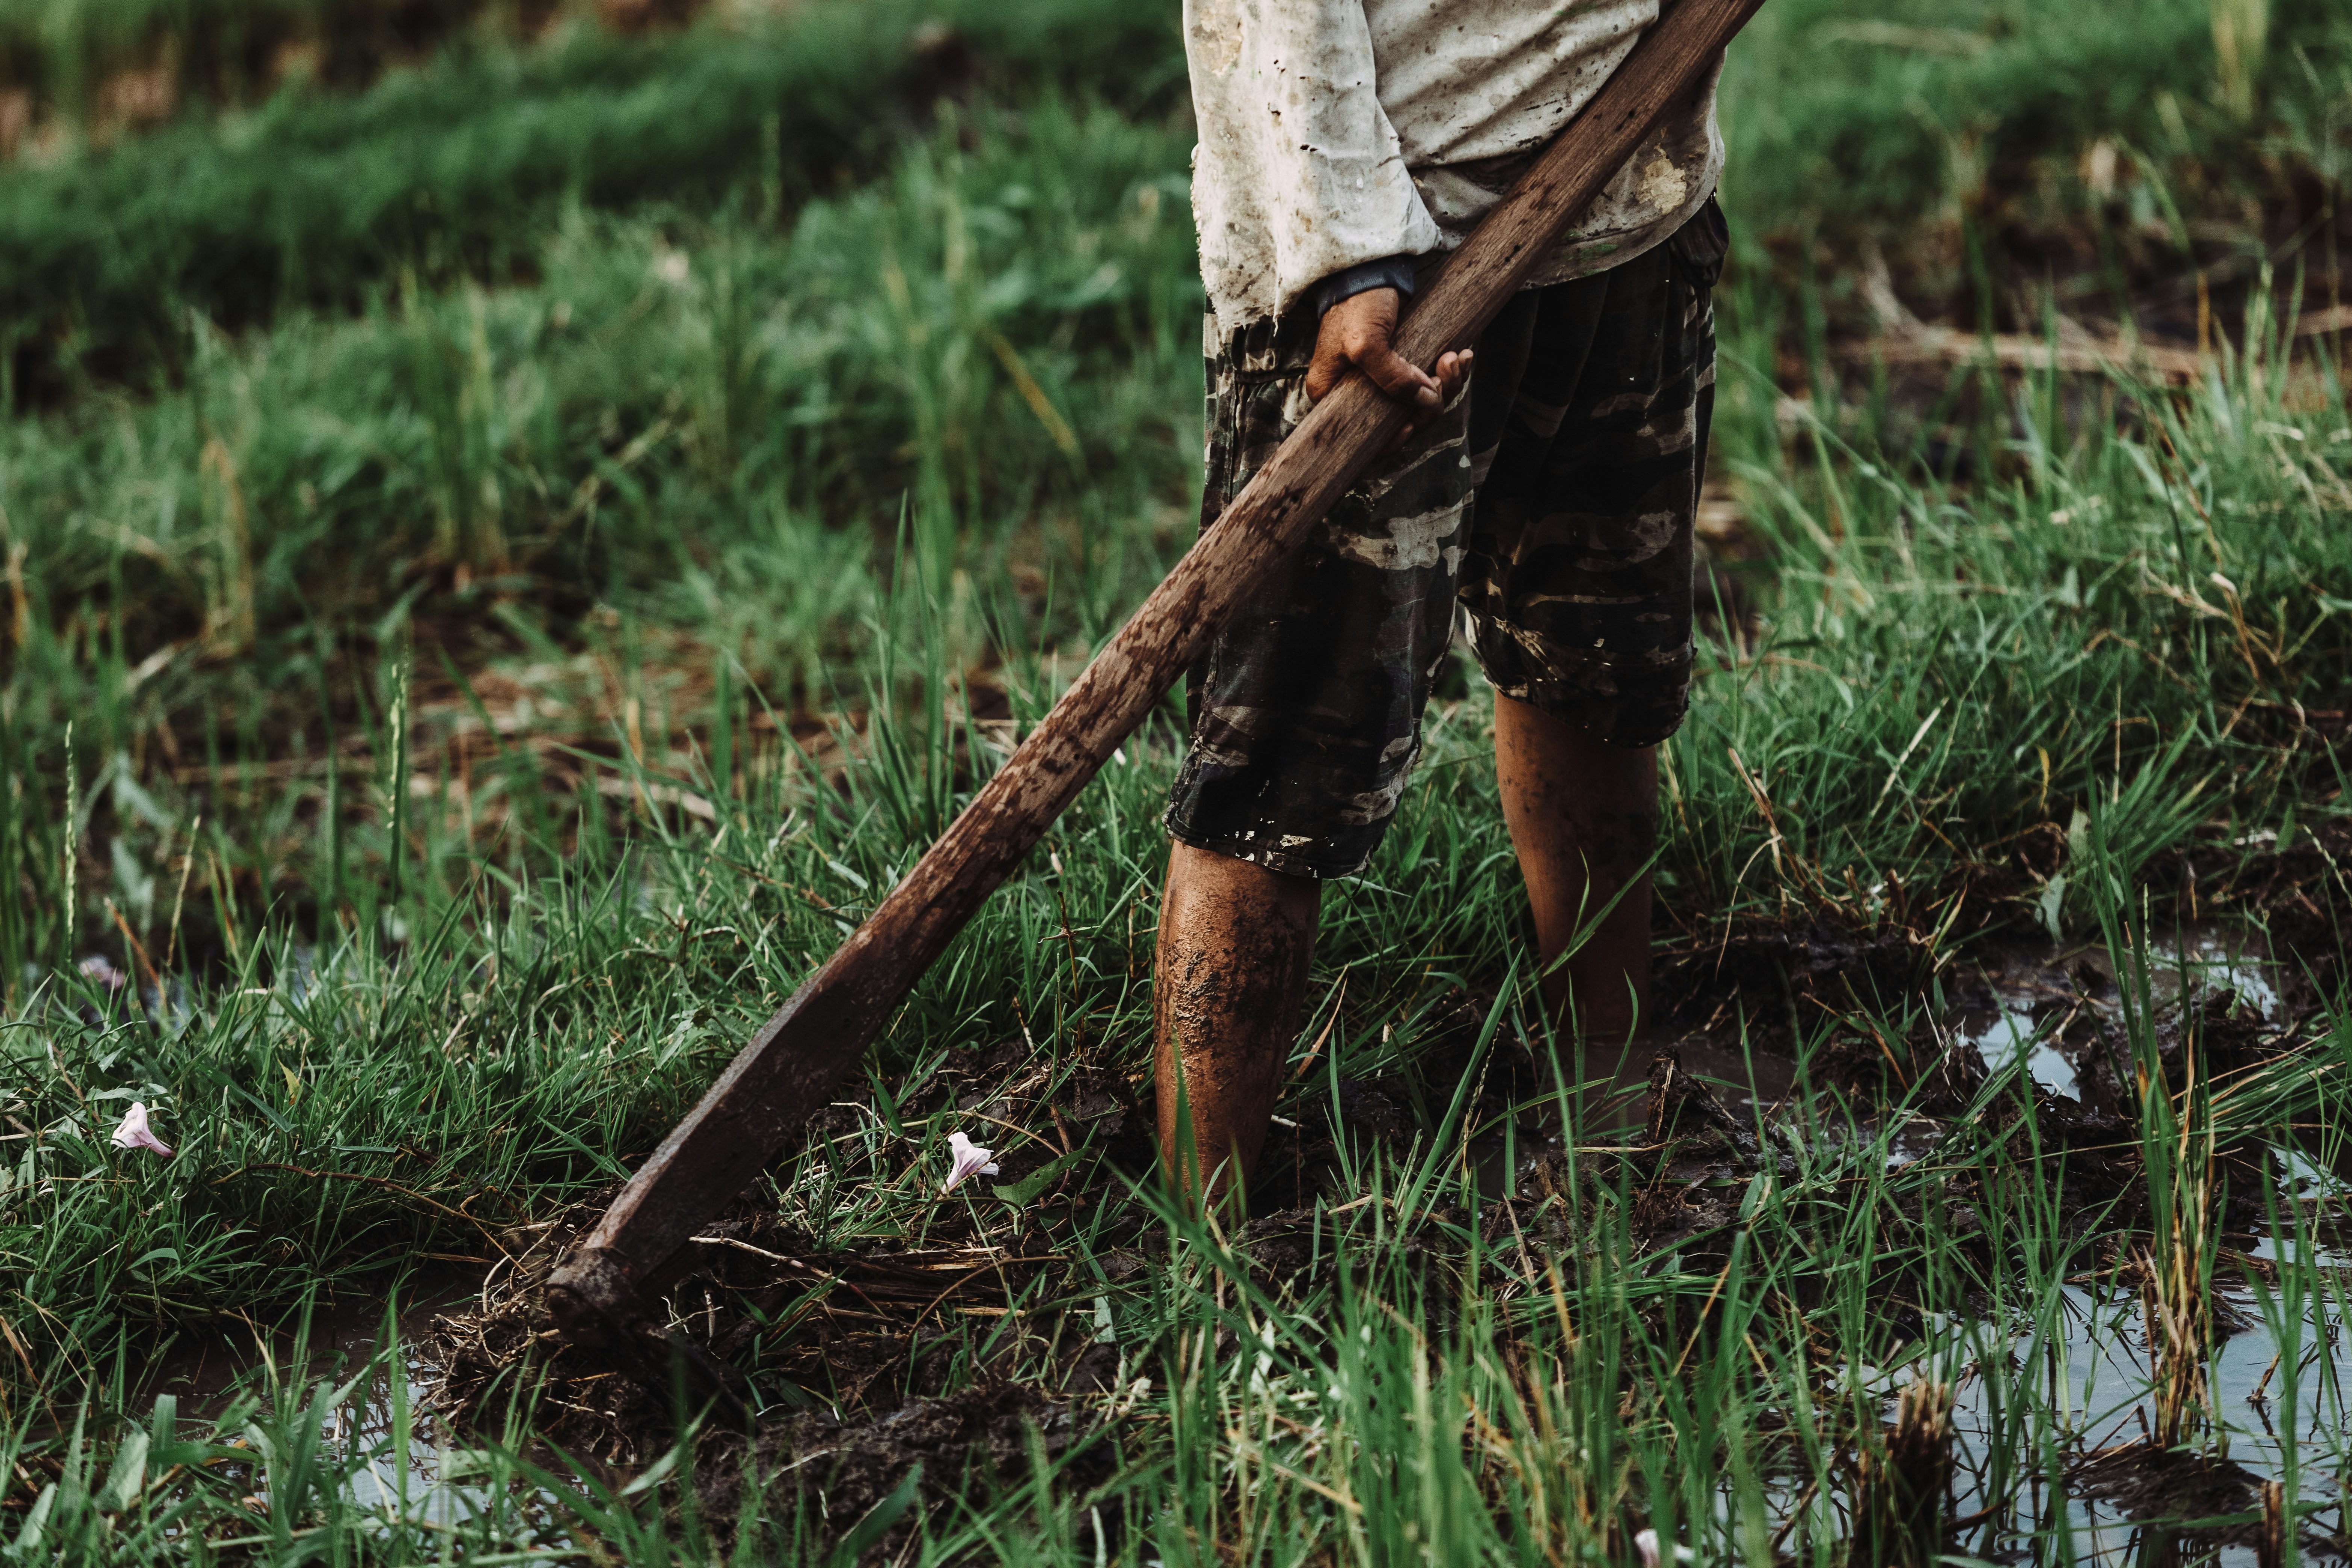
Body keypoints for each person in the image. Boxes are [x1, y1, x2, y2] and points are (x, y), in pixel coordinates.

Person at [1156, 0, 1729, 1204]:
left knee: (1598, 666)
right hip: (1381, 285)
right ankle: (1198, 1228)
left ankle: (1611, 1104)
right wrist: (1340, 249)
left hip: (1622, 201)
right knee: (1287, 747)